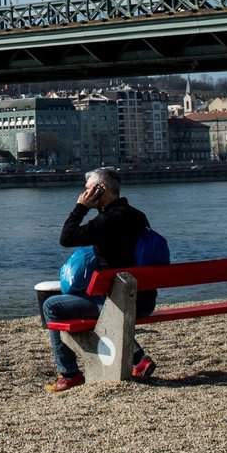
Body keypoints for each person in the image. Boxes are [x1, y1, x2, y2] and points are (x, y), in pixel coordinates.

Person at [37, 167, 161, 392]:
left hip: (120, 304)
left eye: (87, 189)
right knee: (82, 298)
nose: (83, 193)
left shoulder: (107, 221)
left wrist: (81, 207)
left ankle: (69, 374)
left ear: (100, 189)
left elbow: (66, 238)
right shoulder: (137, 216)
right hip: (144, 300)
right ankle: (137, 357)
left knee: (52, 306)